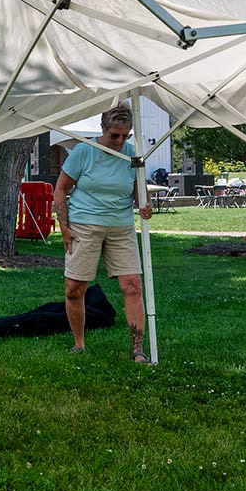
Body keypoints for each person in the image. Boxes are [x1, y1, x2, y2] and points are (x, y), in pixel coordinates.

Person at [53, 103, 154, 361]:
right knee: (74, 288)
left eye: (125, 136)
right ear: (103, 129)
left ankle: (138, 349)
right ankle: (79, 344)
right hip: (83, 225)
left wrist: (144, 204)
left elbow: (137, 189)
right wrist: (64, 227)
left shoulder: (131, 155)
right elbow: (61, 189)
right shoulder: (84, 151)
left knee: (132, 285)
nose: (120, 141)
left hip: (121, 226)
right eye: (114, 135)